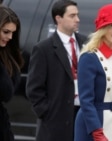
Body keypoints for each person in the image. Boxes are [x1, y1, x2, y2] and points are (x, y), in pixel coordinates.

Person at [26, 1, 86, 141]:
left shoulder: (86, 43)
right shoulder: (43, 49)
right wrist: (47, 112)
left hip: (83, 114)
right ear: (58, 18)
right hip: (56, 120)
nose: (77, 19)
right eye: (72, 16)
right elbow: (33, 88)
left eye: (77, 15)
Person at [74, 4, 112, 141]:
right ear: (102, 28)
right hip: (93, 125)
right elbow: (86, 101)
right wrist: (96, 131)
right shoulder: (88, 57)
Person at [0, 6, 24, 141]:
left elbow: (7, 92)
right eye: (6, 32)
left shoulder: (6, 55)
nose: (9, 37)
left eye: (12, 33)